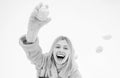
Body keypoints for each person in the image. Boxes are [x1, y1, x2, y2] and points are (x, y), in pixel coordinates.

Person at [19, 3, 81, 78]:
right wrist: (32, 30)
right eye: (57, 47)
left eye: (65, 48)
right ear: (52, 51)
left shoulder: (74, 74)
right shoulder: (44, 62)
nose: (61, 50)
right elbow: (33, 53)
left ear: (69, 53)